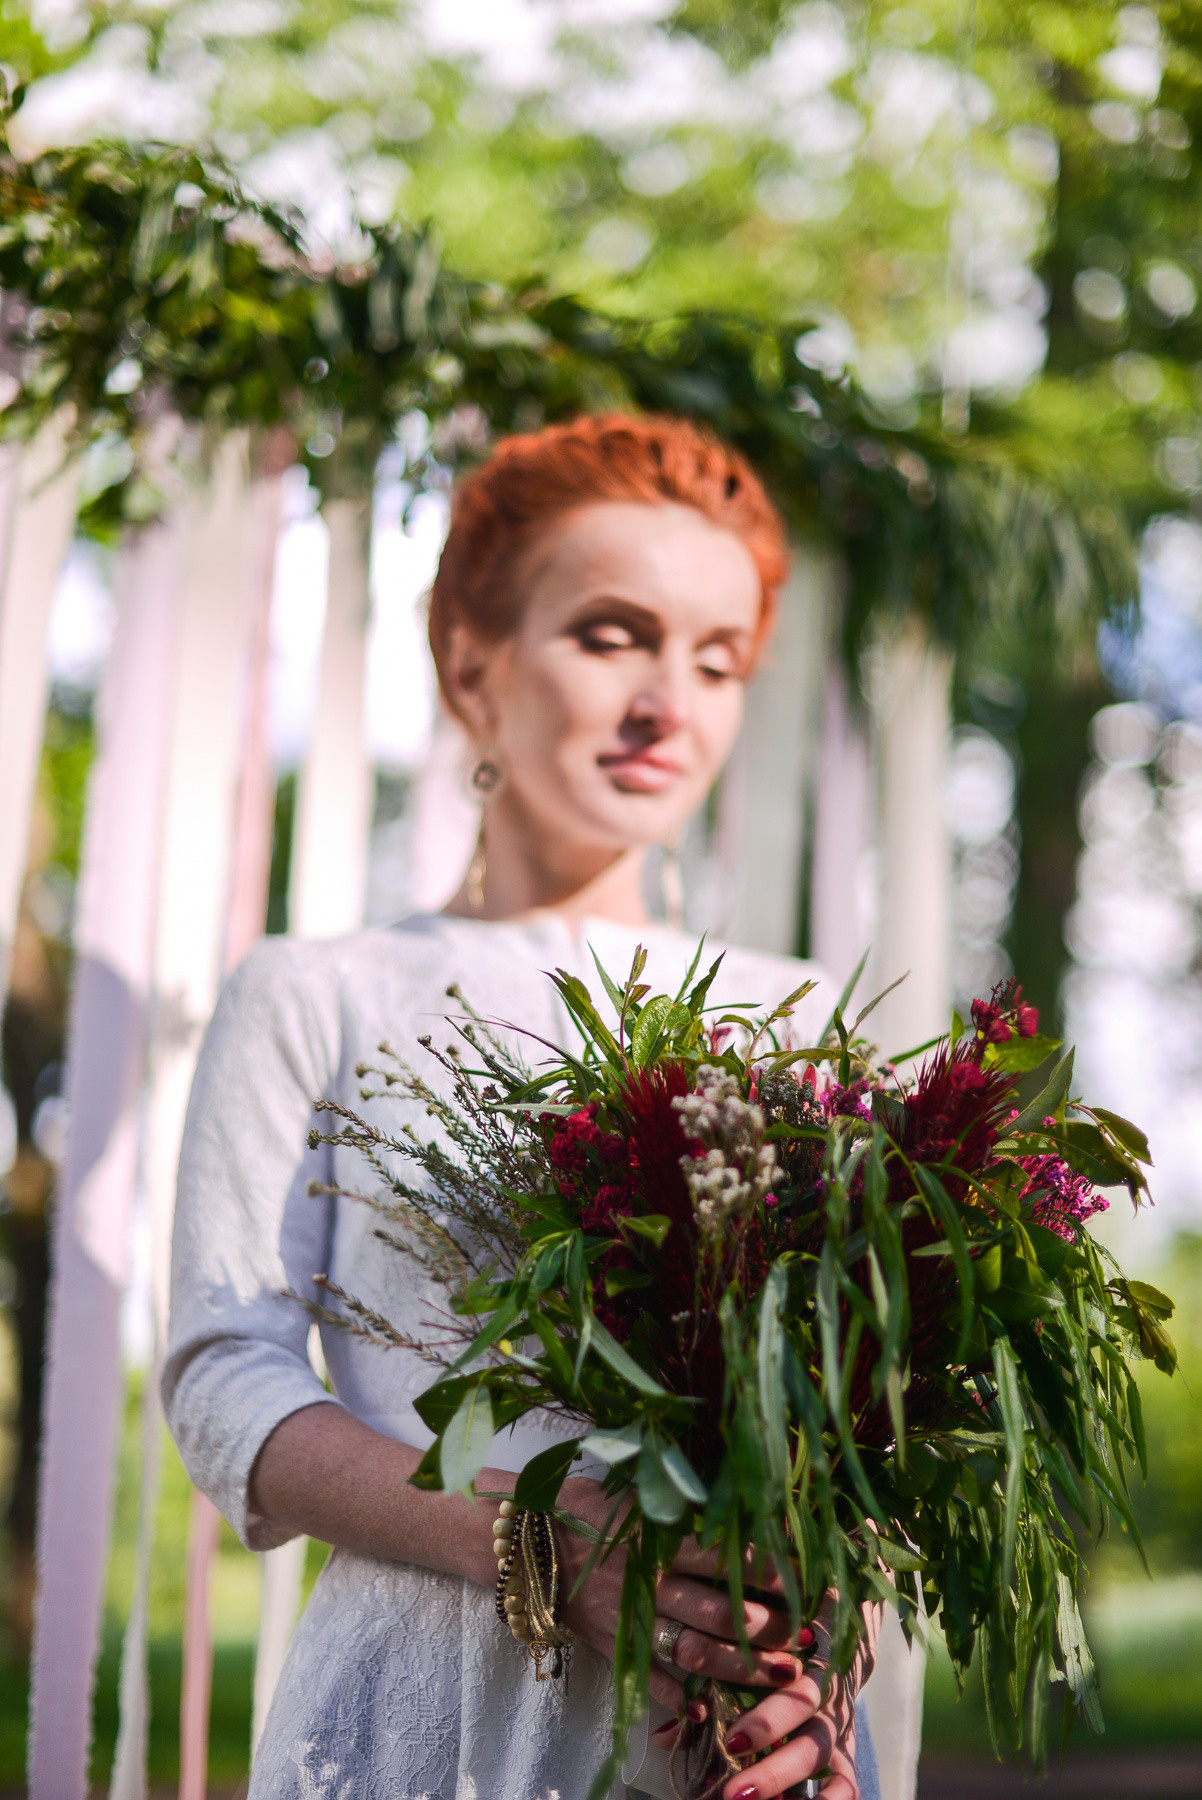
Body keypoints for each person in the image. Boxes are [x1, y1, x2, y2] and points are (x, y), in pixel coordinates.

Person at [163, 413, 882, 1800]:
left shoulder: (800, 1021)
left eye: (717, 660)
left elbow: (852, 1427)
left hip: (718, 1735)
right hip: (417, 1716)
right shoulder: (320, 992)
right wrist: (545, 1546)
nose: (670, 701)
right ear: (469, 664)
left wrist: (815, 1686)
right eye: (613, 635)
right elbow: (223, 1379)